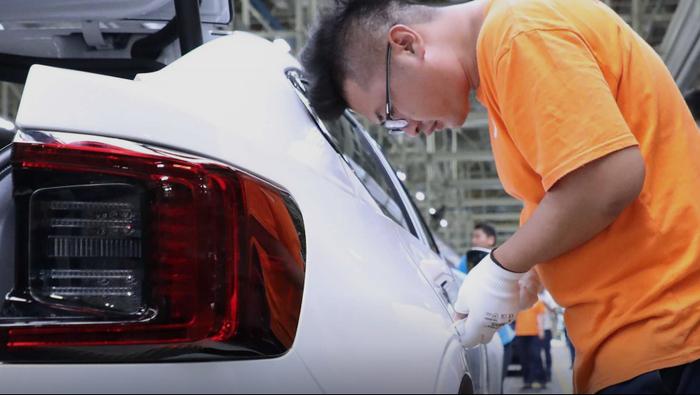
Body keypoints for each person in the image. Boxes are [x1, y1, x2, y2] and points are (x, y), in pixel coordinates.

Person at [301, 0, 700, 392]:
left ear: (407, 44)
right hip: (648, 337)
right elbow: (568, 194)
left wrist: (504, 266)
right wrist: (532, 272)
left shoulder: (516, 33)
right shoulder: (504, 64)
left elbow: (607, 178)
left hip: (670, 332)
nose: (408, 132)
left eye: (390, 113)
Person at [515, 300, 547, 390]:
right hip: (520, 333)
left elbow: (540, 316)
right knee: (524, 358)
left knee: (536, 356)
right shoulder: (517, 302)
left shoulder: (537, 301)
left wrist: (541, 330)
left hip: (534, 333)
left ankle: (541, 380)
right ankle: (527, 381)